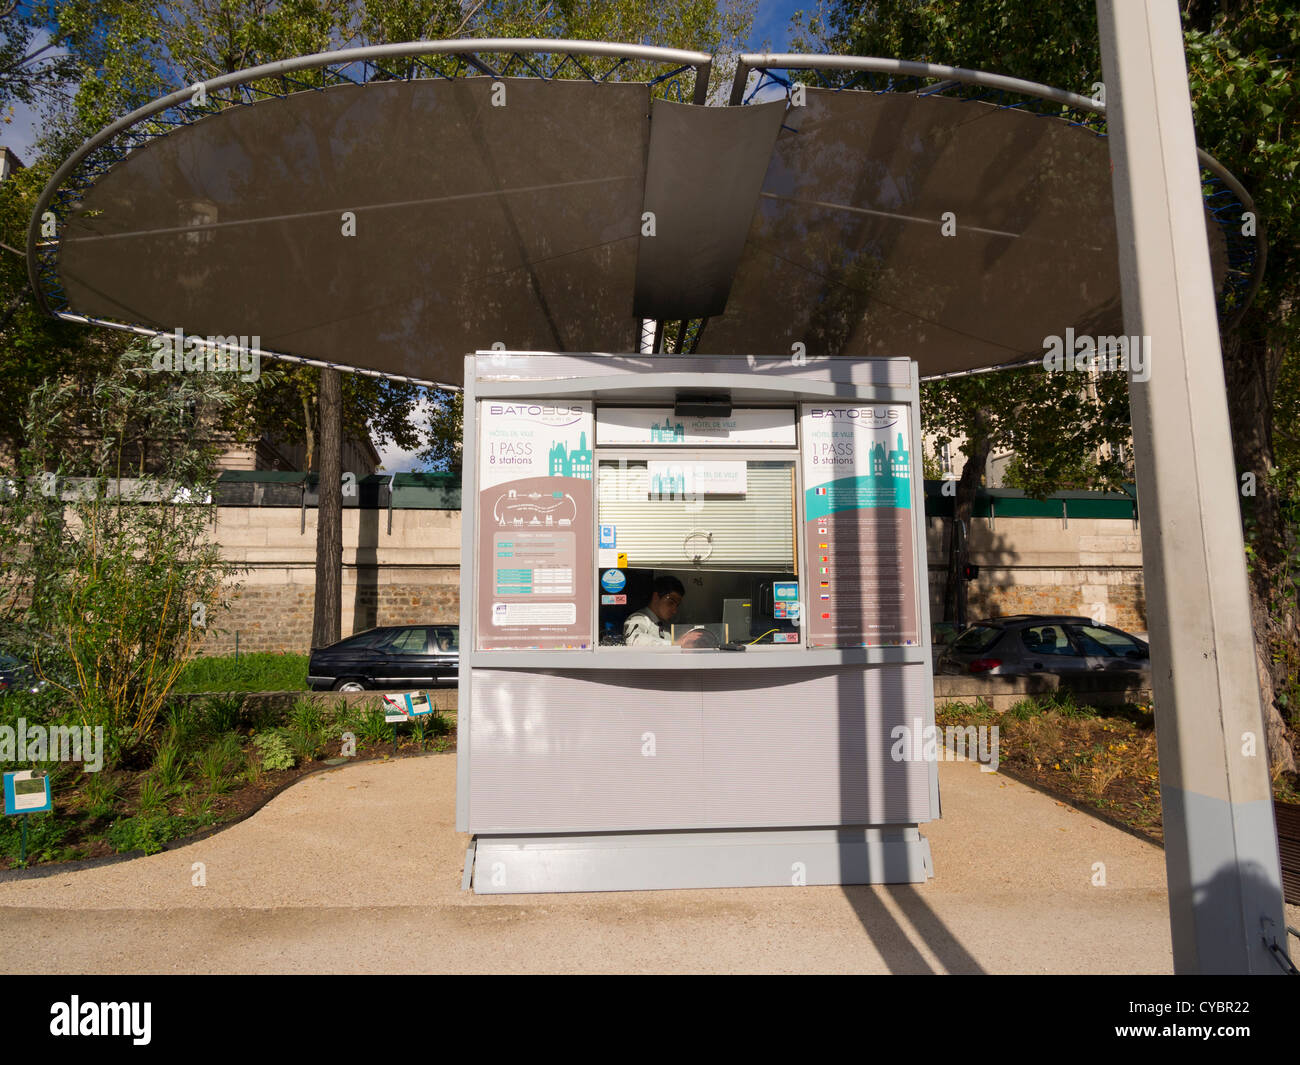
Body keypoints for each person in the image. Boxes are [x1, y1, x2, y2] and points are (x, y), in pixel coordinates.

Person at [623, 575, 685, 646]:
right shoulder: (639, 619)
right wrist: (674, 644)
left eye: (677, 605)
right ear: (656, 597)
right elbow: (634, 640)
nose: (674, 611)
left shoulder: (666, 627)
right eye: (670, 602)